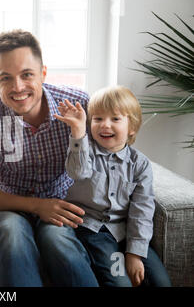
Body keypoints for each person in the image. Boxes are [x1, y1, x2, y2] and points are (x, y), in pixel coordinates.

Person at [0, 29, 98, 286]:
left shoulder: (79, 103)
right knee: (13, 234)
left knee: (58, 241)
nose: (18, 87)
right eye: (6, 78)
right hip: (7, 206)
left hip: (61, 201)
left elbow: (101, 164)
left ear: (43, 73)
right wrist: (37, 206)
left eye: (27, 74)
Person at [54, 86, 171, 286]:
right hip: (94, 231)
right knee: (120, 282)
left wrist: (134, 253)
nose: (105, 125)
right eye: (98, 119)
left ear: (131, 126)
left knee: (161, 281)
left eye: (115, 119)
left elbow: (142, 210)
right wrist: (78, 132)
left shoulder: (139, 164)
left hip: (125, 232)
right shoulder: (85, 151)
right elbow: (77, 172)